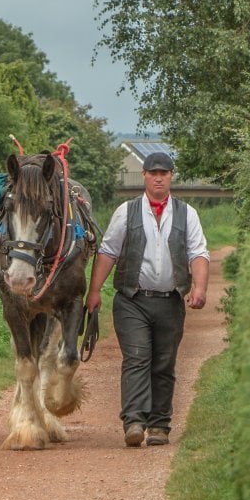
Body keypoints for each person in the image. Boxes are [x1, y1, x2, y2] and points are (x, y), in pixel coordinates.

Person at [84, 151, 209, 448]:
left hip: (170, 301)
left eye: (164, 173)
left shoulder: (187, 213)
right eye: (153, 173)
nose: (158, 178)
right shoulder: (126, 211)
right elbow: (108, 252)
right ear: (144, 176)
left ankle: (159, 425)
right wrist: (94, 291)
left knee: (164, 363)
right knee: (137, 357)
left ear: (171, 176)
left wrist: (200, 287)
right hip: (132, 300)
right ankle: (134, 422)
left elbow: (197, 253)